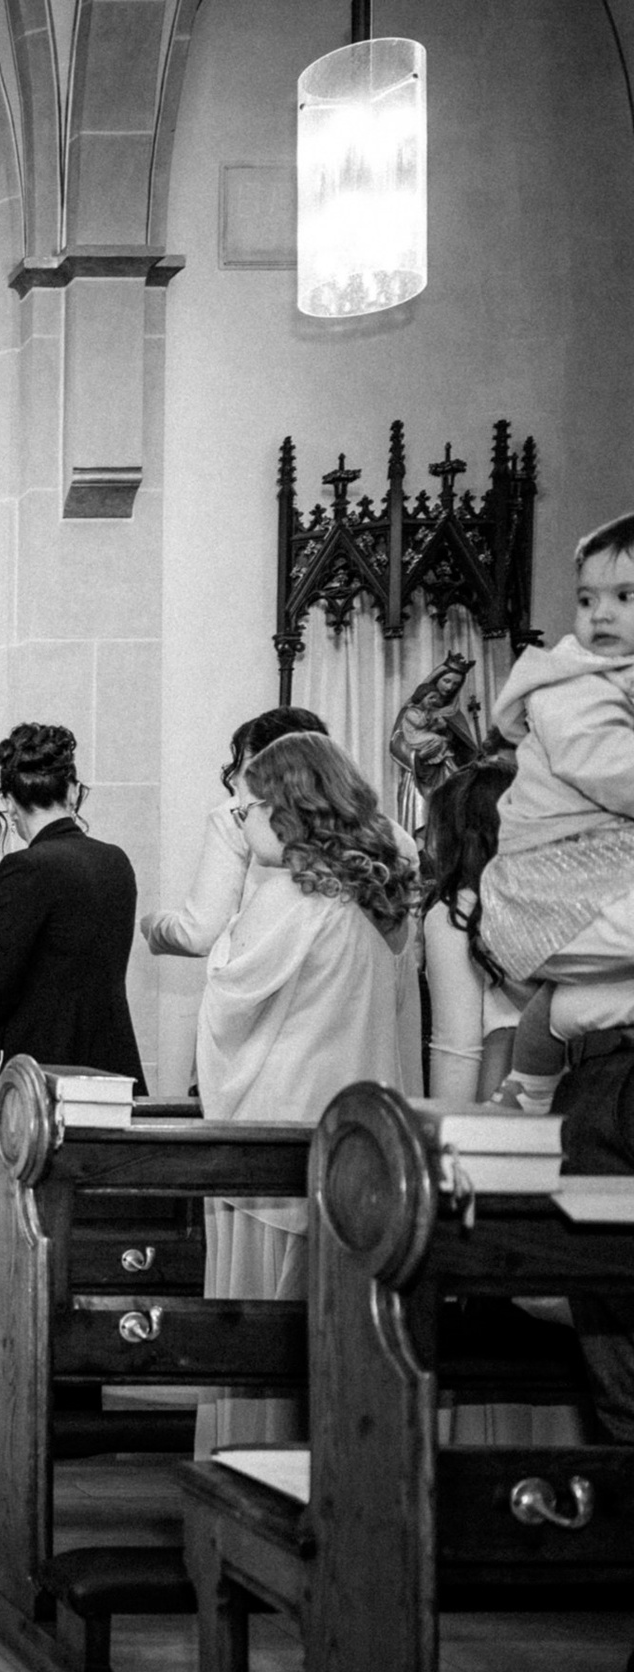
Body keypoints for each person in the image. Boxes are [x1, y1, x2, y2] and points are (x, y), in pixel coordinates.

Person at [195, 730, 419, 1449]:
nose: (242, 819)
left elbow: (230, 989)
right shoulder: (368, 890)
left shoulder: (292, 891)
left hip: (278, 1140)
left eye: (249, 806)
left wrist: (225, 923)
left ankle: (249, 1476)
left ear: (288, 808)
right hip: (352, 1141)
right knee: (332, 1334)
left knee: (262, 1339)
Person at [479, 514, 634, 1113]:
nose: (601, 614)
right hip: (554, 886)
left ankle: (538, 1070)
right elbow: (610, 767)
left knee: (566, 1002)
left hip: (588, 882)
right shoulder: (574, 686)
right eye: (588, 599)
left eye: (625, 597)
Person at [0, 723, 146, 1091]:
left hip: (39, 1067)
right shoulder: (116, 861)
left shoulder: (25, 867)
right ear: (74, 792)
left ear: (10, 803)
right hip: (110, 1060)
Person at [140, 706, 329, 958]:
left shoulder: (237, 815)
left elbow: (201, 934)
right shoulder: (379, 831)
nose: (235, 780)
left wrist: (152, 925)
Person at [421, 759, 523, 1101]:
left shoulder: (458, 912)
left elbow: (457, 1048)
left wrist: (446, 1135)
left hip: (501, 1105)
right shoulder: (550, 896)